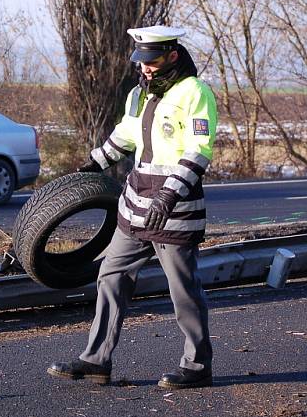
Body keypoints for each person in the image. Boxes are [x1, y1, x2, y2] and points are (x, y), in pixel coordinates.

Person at [47, 25, 218, 389]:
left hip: (174, 208)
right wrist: (97, 160)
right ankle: (96, 360)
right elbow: (127, 134)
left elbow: (199, 149)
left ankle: (198, 366)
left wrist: (169, 195)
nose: (145, 68)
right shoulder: (139, 93)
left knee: (183, 289)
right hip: (135, 204)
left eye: (152, 61)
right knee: (111, 276)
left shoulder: (195, 93)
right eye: (141, 61)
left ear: (172, 55)